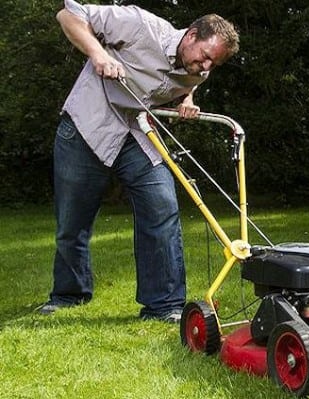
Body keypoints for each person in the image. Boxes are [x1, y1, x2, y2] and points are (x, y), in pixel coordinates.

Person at [39, 0, 239, 323]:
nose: (205, 68)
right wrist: (98, 54)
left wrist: (188, 99)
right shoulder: (140, 25)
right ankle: (68, 294)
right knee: (72, 220)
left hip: (133, 133)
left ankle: (164, 305)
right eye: (204, 57)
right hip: (87, 126)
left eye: (212, 64)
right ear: (190, 35)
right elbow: (69, 14)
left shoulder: (197, 70)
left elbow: (189, 82)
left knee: (161, 203)